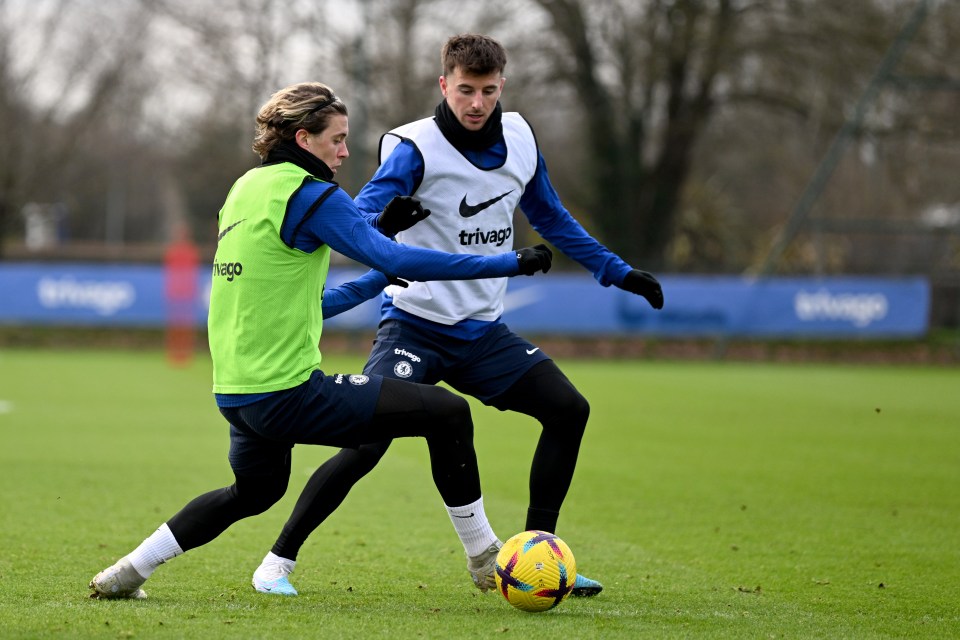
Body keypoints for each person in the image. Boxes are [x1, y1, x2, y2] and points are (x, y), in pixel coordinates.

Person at [88, 81, 555, 600]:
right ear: (303, 138)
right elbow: (395, 257)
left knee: (254, 492)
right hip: (287, 392)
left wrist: (377, 253)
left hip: (237, 394)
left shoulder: (246, 189)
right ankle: (485, 558)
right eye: (337, 138)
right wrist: (508, 262)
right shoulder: (311, 194)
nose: (345, 150)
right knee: (447, 414)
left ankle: (128, 571)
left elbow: (314, 303)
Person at [250, 34, 665, 599]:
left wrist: (617, 271)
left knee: (569, 410)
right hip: (412, 325)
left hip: (482, 333)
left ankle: (537, 559)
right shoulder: (413, 148)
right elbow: (356, 220)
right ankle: (278, 560)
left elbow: (552, 218)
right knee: (367, 443)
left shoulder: (520, 136)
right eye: (465, 90)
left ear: (502, 87)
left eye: (488, 91)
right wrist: (382, 223)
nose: (476, 103)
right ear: (443, 84)